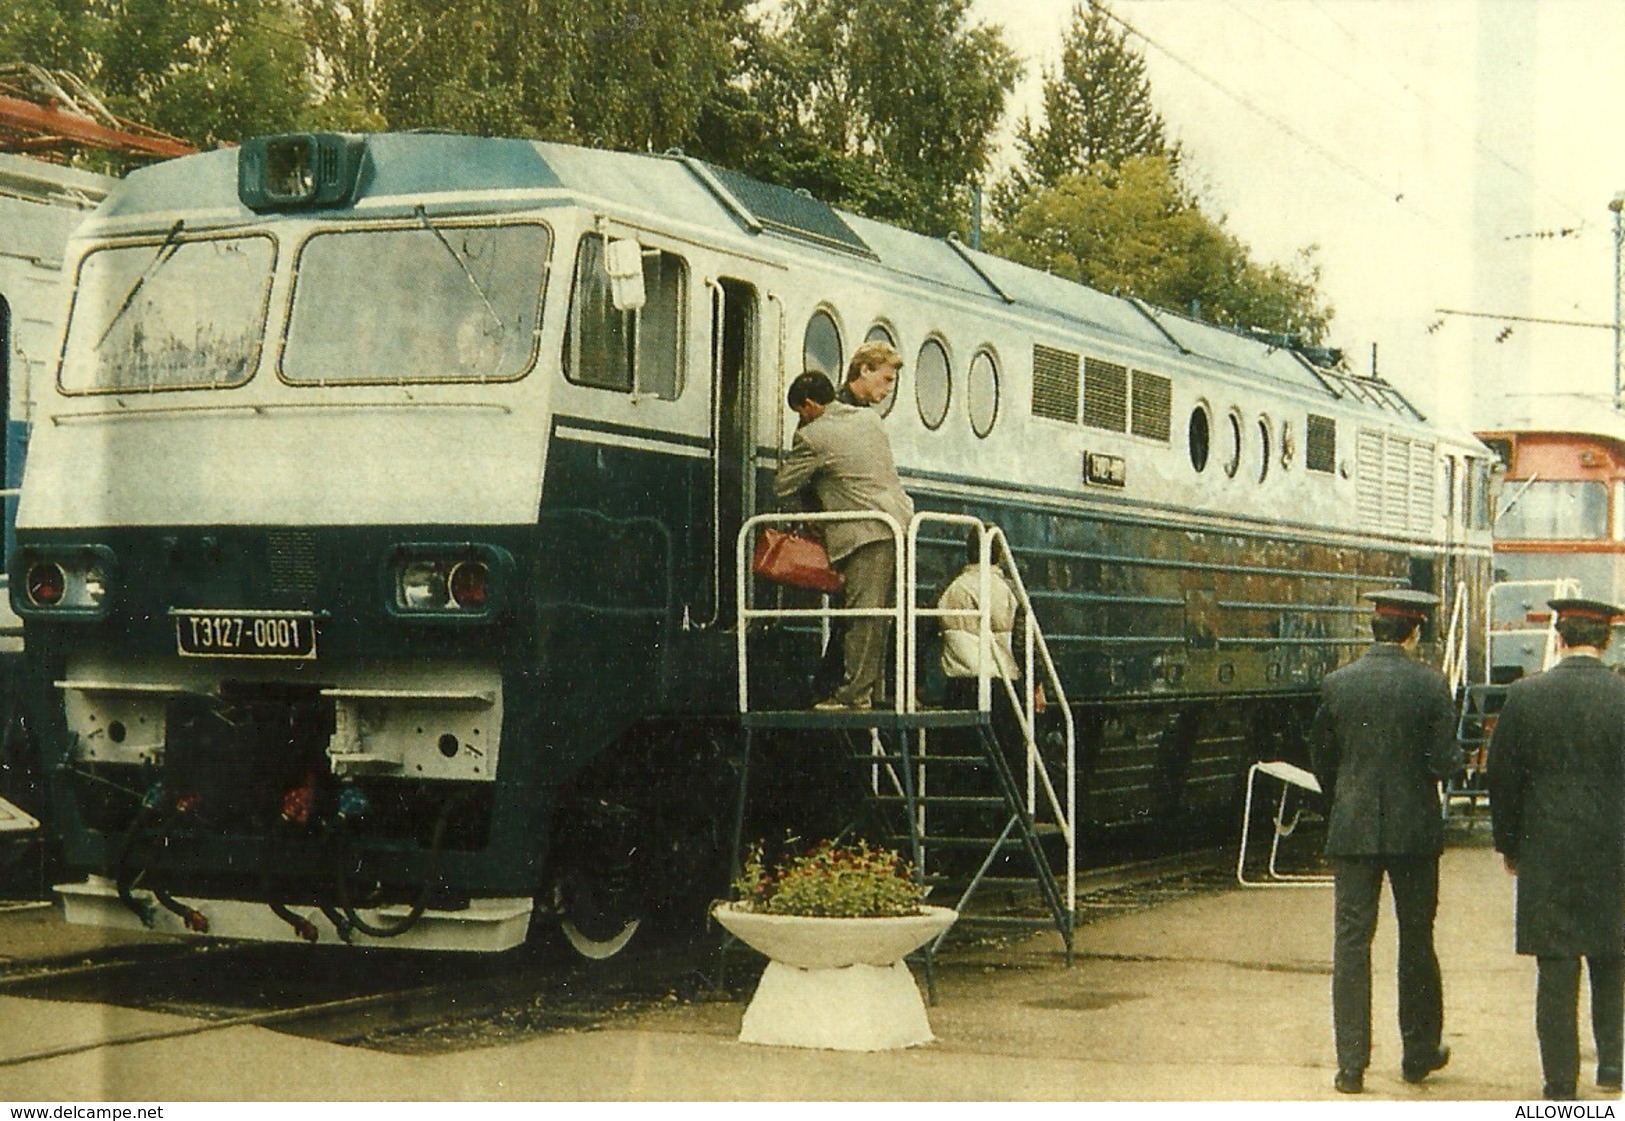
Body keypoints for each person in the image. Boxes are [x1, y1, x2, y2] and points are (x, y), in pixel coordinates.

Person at [1309, 588, 1457, 1095]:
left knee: (1351, 945)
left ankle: (1351, 1065)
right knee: (1416, 939)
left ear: (1375, 627)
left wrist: (1345, 800)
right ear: (1413, 630)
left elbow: (1322, 759)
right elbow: (1445, 763)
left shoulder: (1338, 684)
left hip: (1351, 830)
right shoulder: (1432, 685)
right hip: (1414, 832)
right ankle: (1418, 1053)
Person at [1488, 597, 1625, 1101]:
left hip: (1546, 848)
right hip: (1615, 845)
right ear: (1606, 641)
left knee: (1557, 964)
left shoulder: (1525, 697)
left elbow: (1501, 778)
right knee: (1612, 953)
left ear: (1560, 639)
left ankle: (1559, 1084)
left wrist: (1509, 844)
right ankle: (1612, 1065)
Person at [774, 343, 912, 711]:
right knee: (873, 614)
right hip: (895, 521)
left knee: (862, 614)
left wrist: (813, 515)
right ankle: (861, 689)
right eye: (886, 379)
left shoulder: (814, 433)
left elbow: (784, 484)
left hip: (863, 530)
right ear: (862, 370)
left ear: (808, 408)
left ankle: (853, 694)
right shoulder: (868, 419)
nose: (888, 388)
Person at [937, 528, 1020, 711]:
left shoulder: (951, 587)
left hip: (958, 685)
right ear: (1000, 554)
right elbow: (1022, 643)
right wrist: (1037, 684)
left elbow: (923, 631)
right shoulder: (1009, 591)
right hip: (1001, 684)